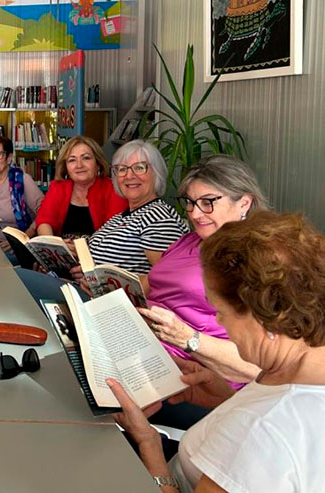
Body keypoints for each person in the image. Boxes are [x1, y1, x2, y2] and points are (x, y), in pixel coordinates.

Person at [110, 211, 325, 492]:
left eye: (220, 312)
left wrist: (147, 442)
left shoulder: (261, 434)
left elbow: (266, 437)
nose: (219, 322)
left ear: (260, 317)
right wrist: (225, 398)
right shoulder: (298, 366)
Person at [141, 156, 268, 388]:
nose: (195, 214)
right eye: (190, 202)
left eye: (208, 202)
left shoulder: (256, 258)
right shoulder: (188, 242)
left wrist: (186, 337)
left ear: (244, 203)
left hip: (193, 375)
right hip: (141, 347)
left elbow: (261, 363)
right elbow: (151, 284)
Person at [76, 140, 188, 276]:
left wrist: (101, 282)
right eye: (122, 169)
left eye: (139, 167)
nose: (129, 176)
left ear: (156, 173)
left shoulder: (158, 217)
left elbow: (168, 280)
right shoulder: (122, 216)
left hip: (118, 297)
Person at [35, 136, 127, 238]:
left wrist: (82, 248)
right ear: (66, 167)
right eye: (72, 160)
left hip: (100, 251)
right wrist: (54, 245)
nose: (79, 165)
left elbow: (115, 232)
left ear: (98, 163)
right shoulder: (58, 188)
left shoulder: (114, 189)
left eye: (86, 158)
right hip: (62, 251)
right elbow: (44, 222)